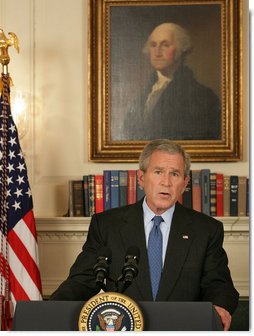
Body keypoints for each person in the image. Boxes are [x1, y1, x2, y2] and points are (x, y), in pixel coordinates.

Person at [50, 139, 238, 330]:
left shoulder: (206, 229)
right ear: (141, 178)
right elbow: (82, 280)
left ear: (185, 183)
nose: (166, 182)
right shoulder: (107, 225)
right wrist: (50, 310)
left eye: (175, 174)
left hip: (181, 329)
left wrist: (219, 306)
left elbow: (218, 284)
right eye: (158, 172)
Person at [120, 23, 221, 140]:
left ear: (180, 50)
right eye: (153, 45)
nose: (157, 52)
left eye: (165, 45)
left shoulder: (202, 97)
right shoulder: (144, 93)